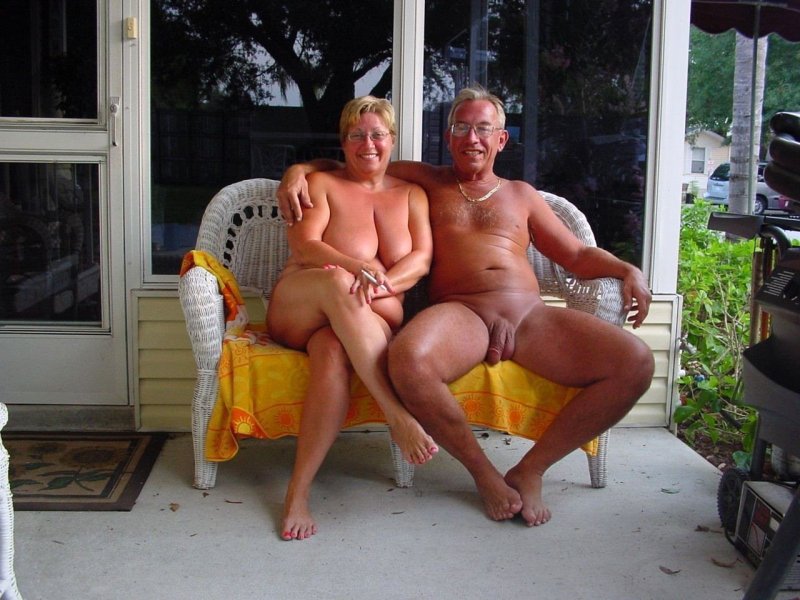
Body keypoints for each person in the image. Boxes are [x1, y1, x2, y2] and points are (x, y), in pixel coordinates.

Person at [277, 85, 655, 528]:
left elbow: (575, 255)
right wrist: (297, 171)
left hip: (528, 314)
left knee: (635, 363)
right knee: (408, 358)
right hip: (463, 313)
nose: (471, 138)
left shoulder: (522, 194)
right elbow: (357, 162)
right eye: (461, 128)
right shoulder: (426, 181)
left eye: (483, 129)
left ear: (501, 139)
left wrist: (628, 269)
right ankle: (484, 474)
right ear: (449, 137)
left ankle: (531, 470)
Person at [266, 96, 438, 541]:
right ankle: (396, 414)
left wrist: (381, 284)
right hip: (302, 305)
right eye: (357, 135)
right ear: (343, 142)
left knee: (331, 351)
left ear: (392, 139)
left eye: (377, 134)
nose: (368, 144)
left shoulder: (412, 195)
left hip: (361, 322)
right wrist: (354, 267)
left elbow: (421, 260)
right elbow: (306, 246)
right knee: (336, 281)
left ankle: (297, 492)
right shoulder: (322, 184)